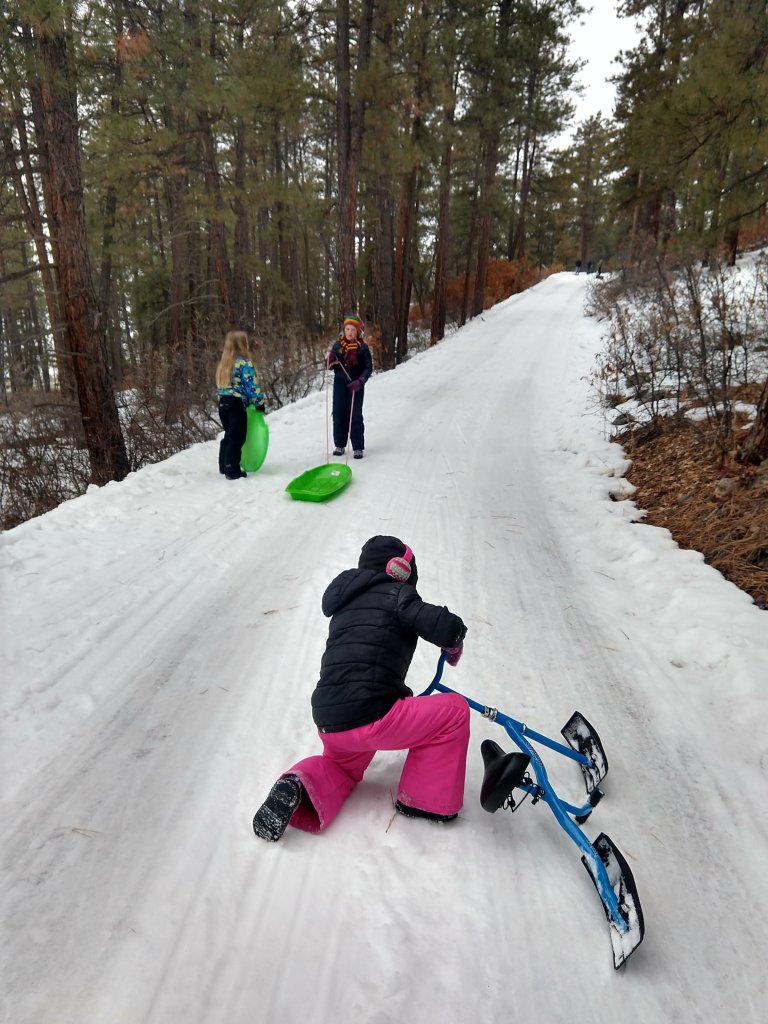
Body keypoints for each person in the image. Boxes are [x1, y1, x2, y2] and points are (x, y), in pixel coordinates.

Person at [252, 536, 469, 842]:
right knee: (454, 711)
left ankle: (298, 785)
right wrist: (454, 638)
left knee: (341, 768)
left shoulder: (345, 604)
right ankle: (426, 802)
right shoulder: (397, 594)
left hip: (330, 721)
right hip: (371, 714)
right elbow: (440, 623)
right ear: (400, 571)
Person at [215, 330, 266, 479]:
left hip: (223, 403)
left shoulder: (224, 364)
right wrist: (258, 403)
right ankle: (232, 470)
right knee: (237, 438)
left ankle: (224, 465)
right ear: (243, 345)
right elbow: (252, 386)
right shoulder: (244, 363)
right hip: (236, 404)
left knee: (229, 434)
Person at [326, 314, 373, 459]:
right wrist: (330, 361)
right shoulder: (338, 345)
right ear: (344, 330)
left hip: (356, 384)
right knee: (338, 413)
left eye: (353, 329)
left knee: (355, 414)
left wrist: (361, 381)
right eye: (347, 329)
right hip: (340, 383)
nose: (350, 332)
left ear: (358, 331)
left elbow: (368, 367)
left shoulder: (363, 348)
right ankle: (339, 445)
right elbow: (330, 364)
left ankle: (358, 447)